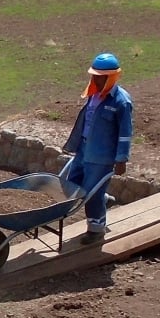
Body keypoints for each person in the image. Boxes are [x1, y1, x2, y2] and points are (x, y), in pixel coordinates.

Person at [60, 51, 134, 246]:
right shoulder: (93, 94)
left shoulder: (121, 102)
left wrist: (121, 158)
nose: (95, 80)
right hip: (84, 148)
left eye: (100, 77)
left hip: (101, 156)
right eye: (94, 76)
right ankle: (105, 199)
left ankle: (96, 230)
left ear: (112, 77)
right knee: (71, 184)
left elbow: (125, 133)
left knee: (91, 193)